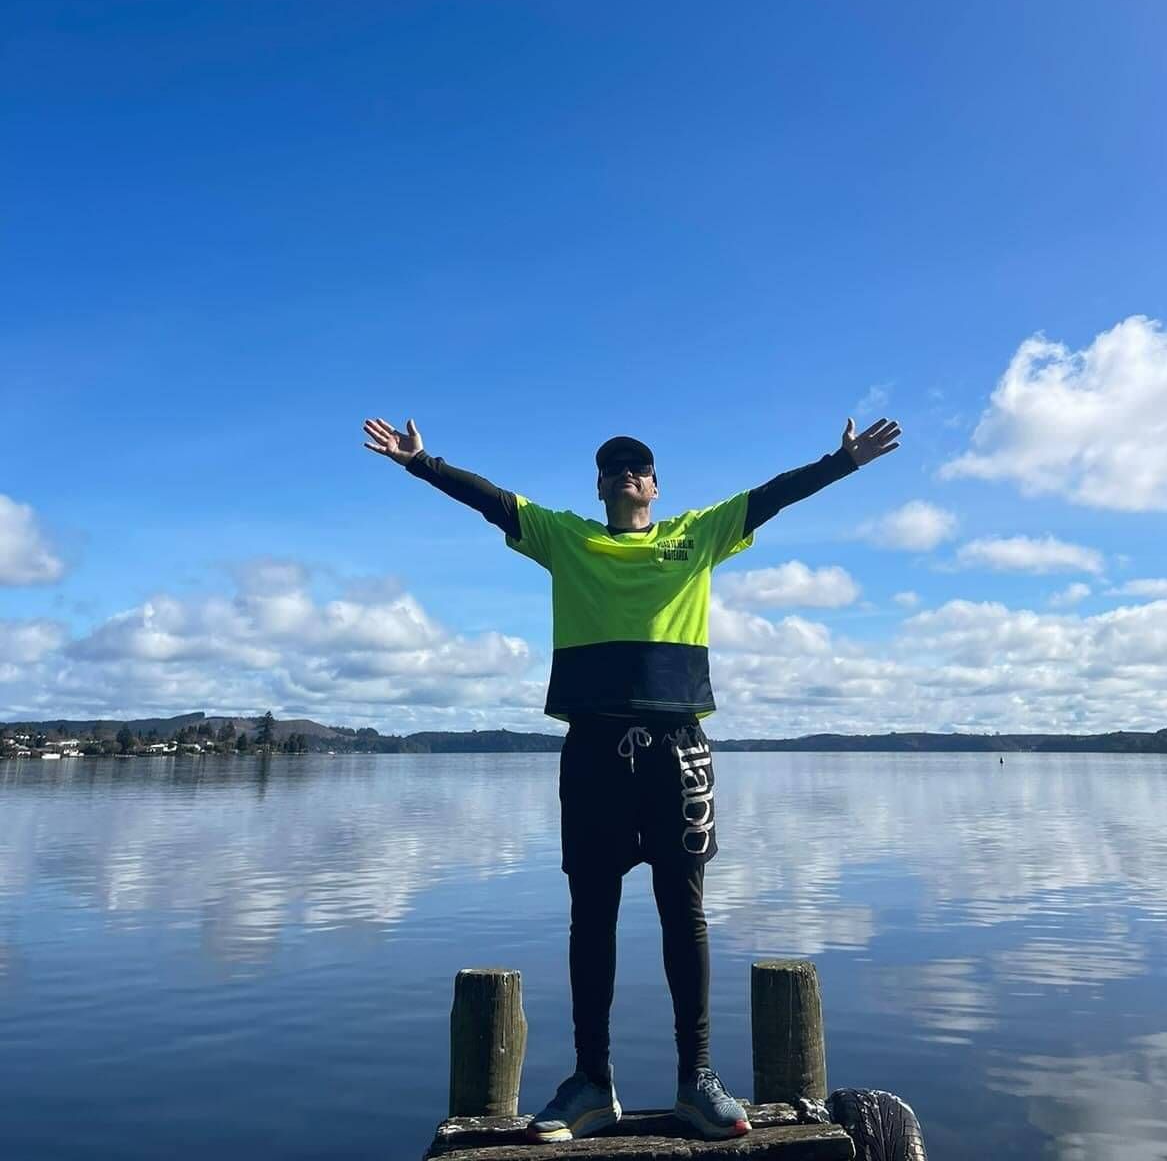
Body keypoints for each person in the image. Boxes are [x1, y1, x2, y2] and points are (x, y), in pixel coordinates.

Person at [363, 412, 900, 1142]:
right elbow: (493, 500)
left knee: (685, 916)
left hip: (678, 746)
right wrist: (422, 463)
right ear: (600, 487)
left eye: (638, 465)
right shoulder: (565, 538)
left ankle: (697, 1079)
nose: (626, 473)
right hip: (593, 747)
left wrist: (842, 463)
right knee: (593, 916)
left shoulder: (697, 535)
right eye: (613, 466)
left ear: (654, 485)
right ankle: (592, 1083)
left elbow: (771, 496)